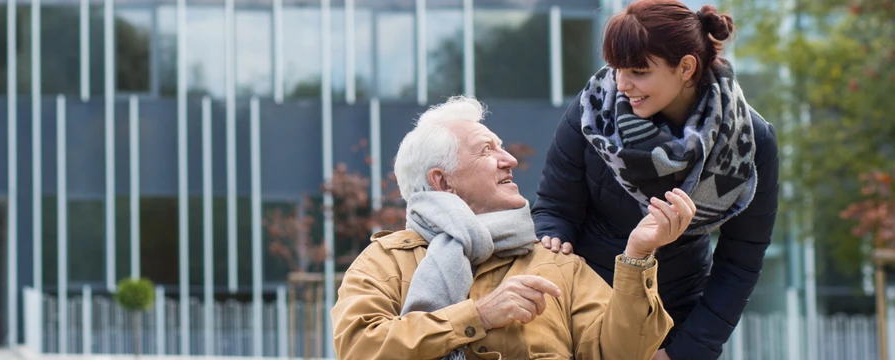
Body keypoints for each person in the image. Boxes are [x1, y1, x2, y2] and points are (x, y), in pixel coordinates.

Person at [331, 95, 697, 359]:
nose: (510, 159)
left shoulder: (557, 263)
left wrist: (637, 256)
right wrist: (480, 315)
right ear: (442, 181)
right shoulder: (384, 261)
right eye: (487, 150)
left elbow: (622, 354)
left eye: (502, 147)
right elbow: (359, 348)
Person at [532, 1, 779, 359]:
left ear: (686, 67)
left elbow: (740, 262)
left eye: (638, 71)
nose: (621, 83)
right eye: (616, 68)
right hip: (579, 310)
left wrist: (684, 352)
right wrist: (552, 242)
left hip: (671, 317)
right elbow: (555, 207)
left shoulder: (750, 140)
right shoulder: (591, 111)